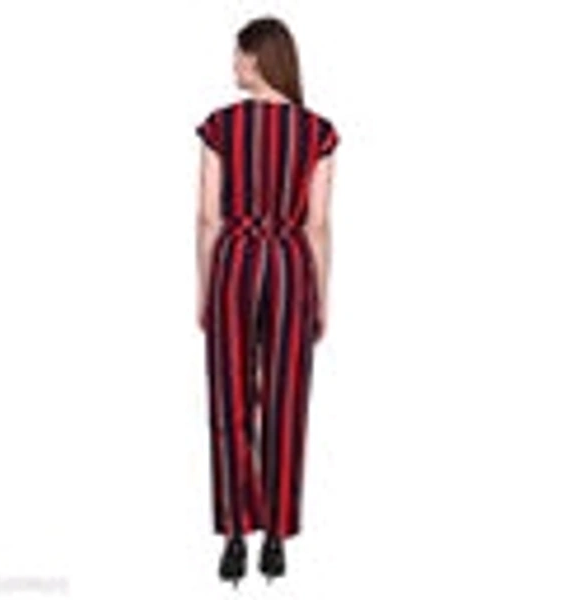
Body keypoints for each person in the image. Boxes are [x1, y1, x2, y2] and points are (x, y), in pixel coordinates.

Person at [195, 15, 339, 587]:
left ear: (259, 57)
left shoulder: (221, 126)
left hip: (235, 261)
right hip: (288, 265)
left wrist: (204, 288)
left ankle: (235, 535)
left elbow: (207, 217)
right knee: (286, 398)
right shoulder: (317, 133)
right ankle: (276, 536)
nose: (233, 64)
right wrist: (320, 296)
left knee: (230, 397)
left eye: (239, 54)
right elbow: (318, 224)